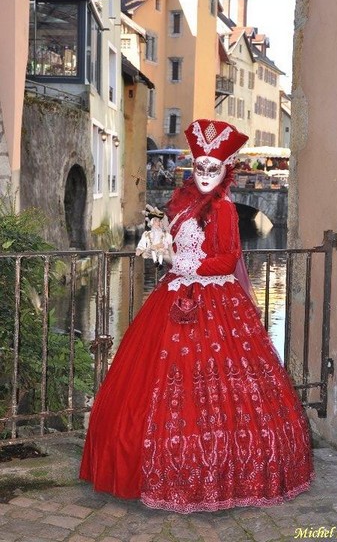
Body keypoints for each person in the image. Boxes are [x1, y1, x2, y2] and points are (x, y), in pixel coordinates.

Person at [79, 119, 314, 513]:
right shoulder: (181, 205)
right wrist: (159, 243)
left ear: (224, 172)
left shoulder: (223, 210)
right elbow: (175, 245)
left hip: (216, 304)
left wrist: (191, 265)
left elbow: (228, 257)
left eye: (213, 168)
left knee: (219, 386)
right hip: (173, 296)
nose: (205, 175)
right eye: (200, 167)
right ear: (194, 169)